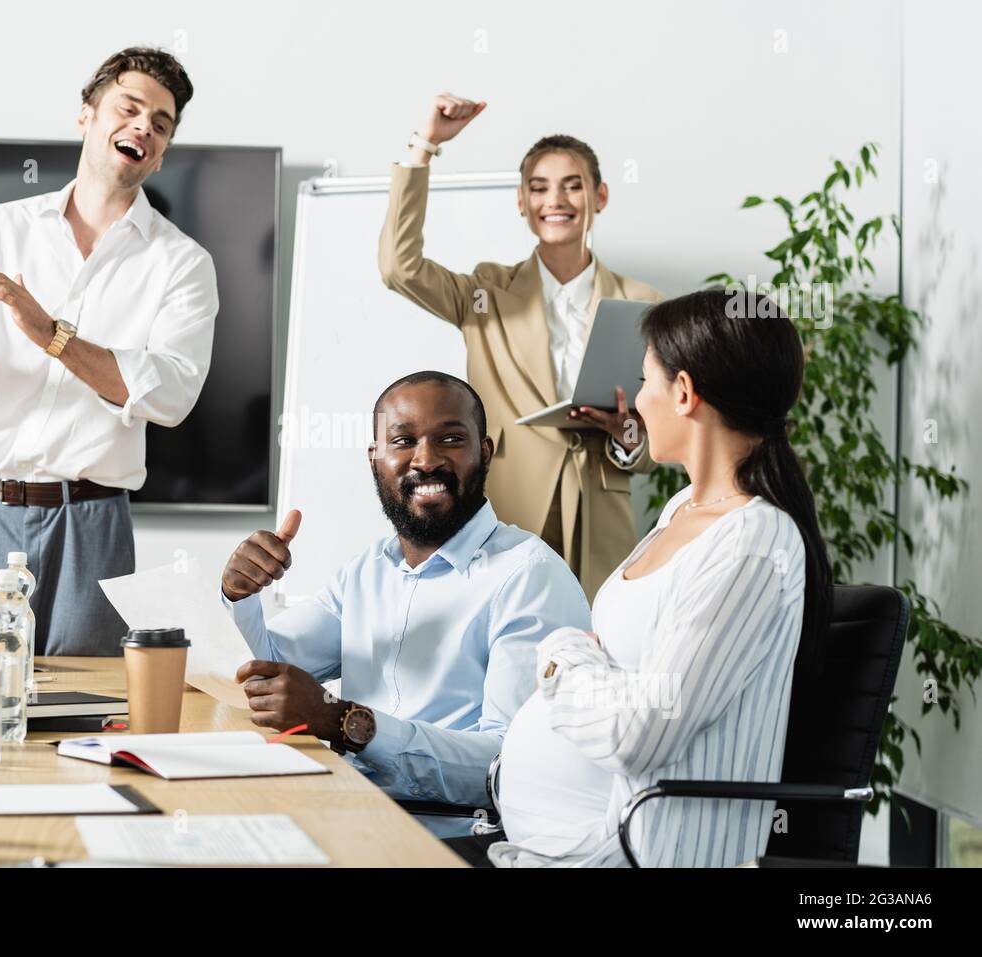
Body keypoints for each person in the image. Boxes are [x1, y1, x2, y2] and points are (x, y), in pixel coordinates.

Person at [488, 288, 833, 867]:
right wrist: (593, 673)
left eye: (646, 381)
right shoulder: (681, 512)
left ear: (683, 392)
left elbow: (642, 730)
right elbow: (631, 691)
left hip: (622, 856)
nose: (639, 402)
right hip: (544, 848)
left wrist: (561, 659)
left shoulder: (754, 542)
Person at [0, 47, 219, 655]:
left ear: (160, 153)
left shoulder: (184, 264)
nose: (143, 127)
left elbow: (170, 395)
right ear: (87, 115)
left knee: (78, 723)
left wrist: (51, 333)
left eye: (160, 125)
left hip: (92, 526)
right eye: (129, 109)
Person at [219, 371, 590, 836]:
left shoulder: (529, 576)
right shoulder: (364, 572)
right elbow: (267, 673)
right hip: (347, 814)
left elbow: (509, 765)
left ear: (486, 453)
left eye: (451, 438)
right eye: (403, 440)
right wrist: (241, 593)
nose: (427, 459)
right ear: (375, 458)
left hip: (450, 838)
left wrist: (345, 723)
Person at [379, 93, 662, 600]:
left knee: (598, 657)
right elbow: (399, 268)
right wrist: (427, 144)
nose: (556, 200)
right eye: (539, 188)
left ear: (599, 197)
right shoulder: (485, 291)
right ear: (521, 202)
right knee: (506, 654)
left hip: (599, 517)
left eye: (572, 186)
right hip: (510, 506)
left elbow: (658, 427)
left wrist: (629, 437)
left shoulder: (642, 304)